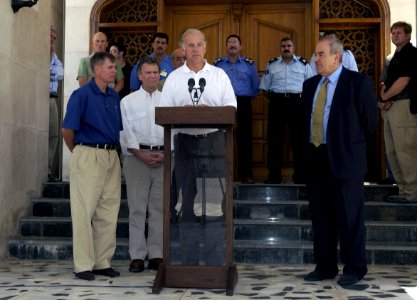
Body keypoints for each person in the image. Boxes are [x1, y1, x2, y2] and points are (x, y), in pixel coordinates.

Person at [301, 34, 378, 286]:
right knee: (321, 217)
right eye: (315, 54)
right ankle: (325, 265)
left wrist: (349, 146)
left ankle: (354, 267)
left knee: (349, 217)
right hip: (316, 158)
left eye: (321, 54)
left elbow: (370, 123)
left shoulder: (357, 82)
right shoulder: (310, 85)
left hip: (346, 159)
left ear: (337, 56)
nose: (316, 59)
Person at [160, 28, 236, 265]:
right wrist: (186, 112)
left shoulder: (219, 76)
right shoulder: (174, 78)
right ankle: (188, 263)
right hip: (184, 143)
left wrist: (208, 112)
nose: (194, 49)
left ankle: (214, 263)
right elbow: (163, 112)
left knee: (214, 204)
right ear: (183, 49)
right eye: (190, 45)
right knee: (185, 203)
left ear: (205, 47)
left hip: (213, 143)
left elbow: (231, 109)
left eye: (198, 45)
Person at [62, 52, 123, 281]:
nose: (113, 71)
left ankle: (101, 262)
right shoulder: (81, 95)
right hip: (88, 153)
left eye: (114, 67)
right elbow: (67, 130)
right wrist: (79, 153)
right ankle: (83, 265)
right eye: (110, 67)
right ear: (96, 69)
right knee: (83, 211)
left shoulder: (114, 97)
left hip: (111, 156)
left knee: (108, 211)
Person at [120, 57, 164, 273]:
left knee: (158, 209)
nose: (152, 76)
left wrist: (166, 153)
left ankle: (156, 255)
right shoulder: (127, 101)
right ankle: (137, 255)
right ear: (139, 75)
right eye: (148, 73)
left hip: (163, 159)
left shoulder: (167, 100)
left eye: (155, 72)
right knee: (137, 208)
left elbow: (175, 130)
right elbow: (125, 133)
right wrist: (141, 154)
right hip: (136, 159)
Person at [260, 37, 313, 184]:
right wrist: (277, 99)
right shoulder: (272, 64)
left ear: (293, 48)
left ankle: (301, 176)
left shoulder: (303, 64)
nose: (286, 48)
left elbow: (311, 86)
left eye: (289, 45)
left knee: (300, 141)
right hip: (277, 103)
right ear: (280, 48)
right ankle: (274, 176)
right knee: (275, 141)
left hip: (298, 104)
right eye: (283, 46)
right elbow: (264, 88)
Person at [379, 21, 417, 203]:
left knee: (406, 151)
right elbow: (386, 82)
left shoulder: (412, 53)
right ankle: (403, 190)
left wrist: (385, 98)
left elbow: (403, 81)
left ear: (408, 36)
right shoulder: (393, 57)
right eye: (393, 32)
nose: (394, 35)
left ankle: (412, 192)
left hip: (404, 106)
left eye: (399, 33)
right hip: (391, 108)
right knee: (393, 151)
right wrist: (383, 100)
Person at [214, 34, 259, 183]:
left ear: (240, 46)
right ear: (226, 46)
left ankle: (246, 174)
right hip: (223, 104)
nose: (232, 44)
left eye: (235, 42)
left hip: (244, 103)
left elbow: (255, 87)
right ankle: (221, 174)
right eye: (230, 42)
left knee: (245, 139)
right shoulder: (218, 65)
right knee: (221, 139)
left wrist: (244, 99)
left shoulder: (249, 64)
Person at [49, 27, 64, 181]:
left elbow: (60, 74)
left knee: (53, 134)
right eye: (50, 36)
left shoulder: (54, 56)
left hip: (52, 98)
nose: (52, 40)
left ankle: (48, 170)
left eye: (54, 38)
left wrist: (50, 71)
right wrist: (50, 70)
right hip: (40, 97)